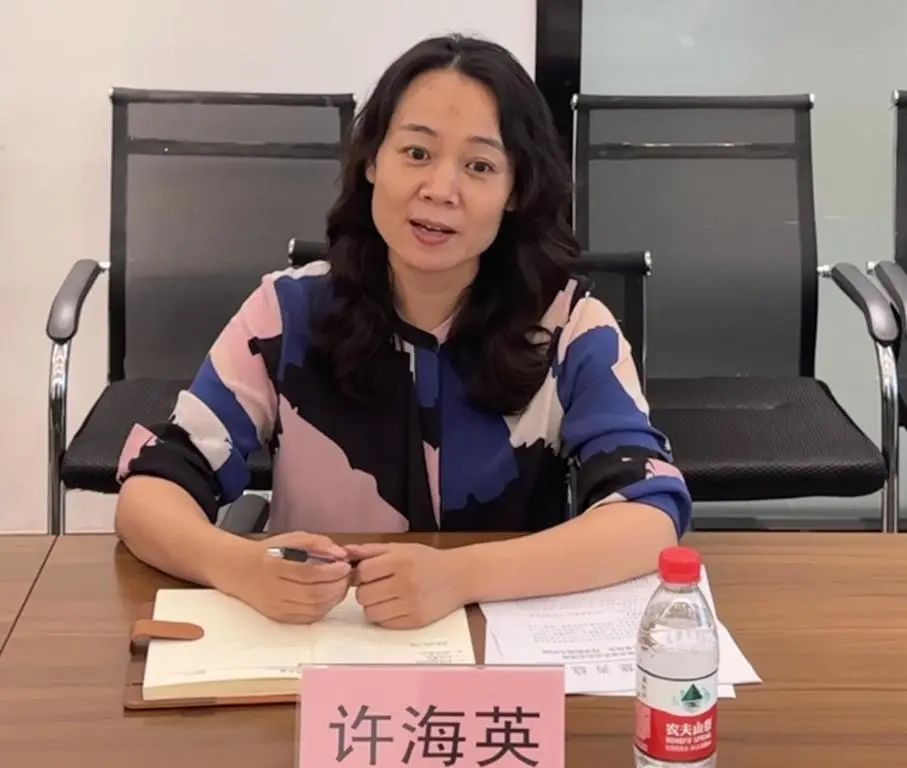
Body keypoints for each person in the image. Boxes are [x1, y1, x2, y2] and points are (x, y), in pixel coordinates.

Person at [115, 34, 692, 630]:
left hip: (498, 644)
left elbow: (648, 515)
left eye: (479, 166)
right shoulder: (285, 313)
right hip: (324, 645)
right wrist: (237, 565)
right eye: (417, 153)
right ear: (372, 161)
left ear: (515, 190)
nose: (440, 190)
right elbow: (151, 490)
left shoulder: (569, 327)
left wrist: (460, 576)